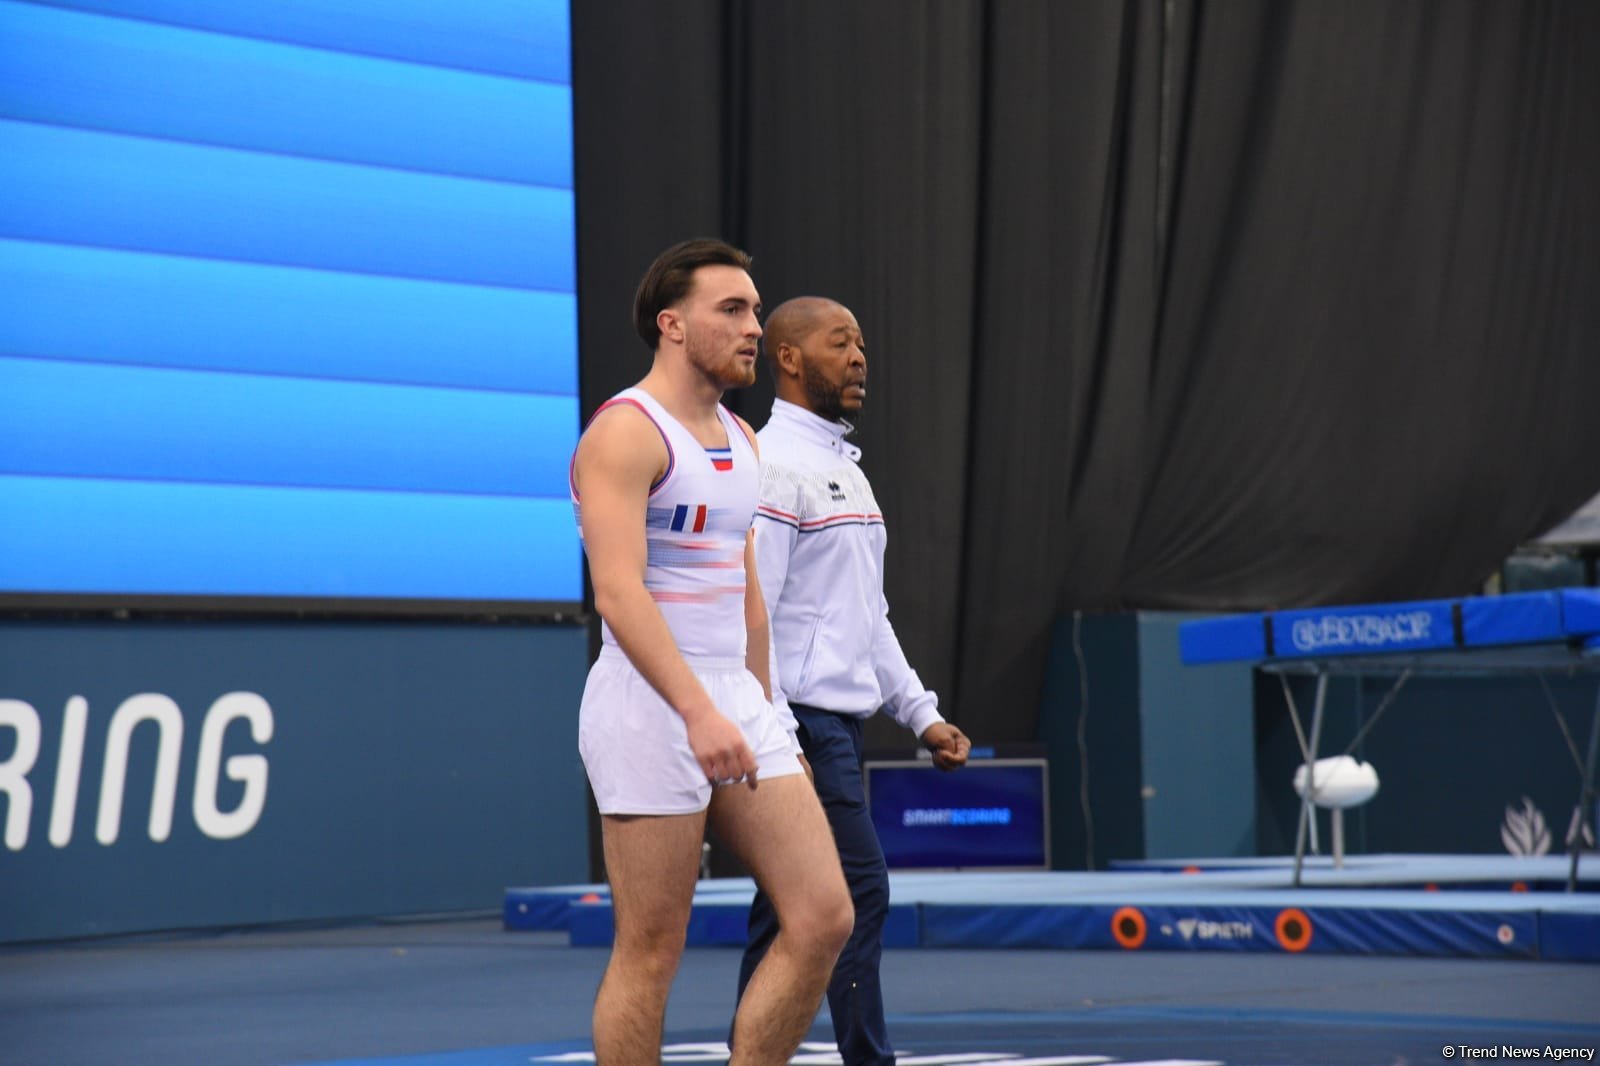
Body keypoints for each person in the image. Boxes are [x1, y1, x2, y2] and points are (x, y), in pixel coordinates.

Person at [570, 242, 854, 1066]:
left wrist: (765, 713)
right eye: (731, 310)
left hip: (734, 696)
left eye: (756, 311)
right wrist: (697, 711)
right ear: (671, 324)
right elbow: (619, 596)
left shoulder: (742, 436)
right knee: (652, 948)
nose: (754, 328)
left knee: (823, 915)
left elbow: (747, 593)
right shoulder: (625, 433)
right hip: (648, 705)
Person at [735, 296, 972, 1066]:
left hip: (837, 726)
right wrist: (775, 735)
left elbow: (868, 618)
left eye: (863, 343)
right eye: (841, 344)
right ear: (790, 359)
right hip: (800, 726)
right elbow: (753, 615)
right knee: (858, 893)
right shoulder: (773, 469)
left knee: (782, 910)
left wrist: (922, 715)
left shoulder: (846, 473)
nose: (860, 357)